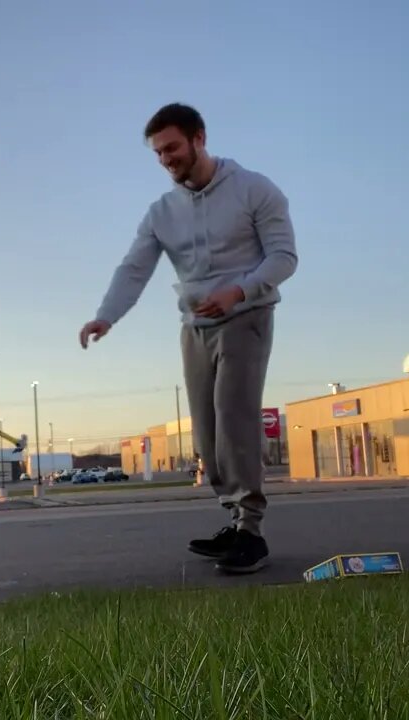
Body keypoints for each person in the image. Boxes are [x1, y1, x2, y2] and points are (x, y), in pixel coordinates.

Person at [79, 103, 298, 575]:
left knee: (234, 416)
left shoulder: (255, 190)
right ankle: (235, 521)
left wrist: (238, 290)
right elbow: (133, 267)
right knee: (206, 431)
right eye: (158, 153)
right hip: (195, 326)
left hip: (248, 315)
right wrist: (106, 316)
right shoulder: (162, 211)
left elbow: (284, 257)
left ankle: (251, 532)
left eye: (172, 148)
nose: (166, 160)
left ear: (199, 138)